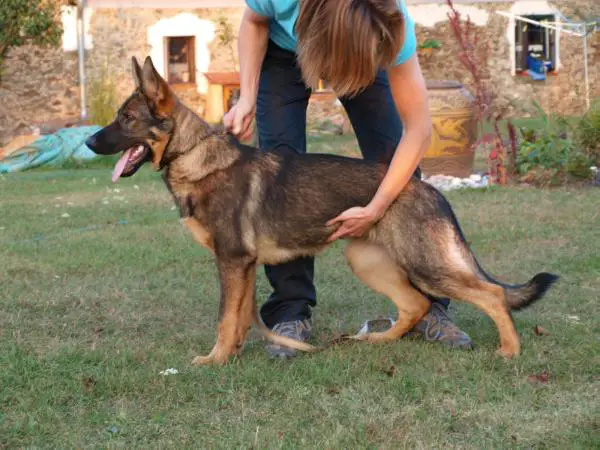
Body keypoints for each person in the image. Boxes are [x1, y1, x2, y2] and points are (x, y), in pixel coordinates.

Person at [223, 0, 474, 358]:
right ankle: (290, 311)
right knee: (280, 179)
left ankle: (428, 304)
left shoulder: (389, 21)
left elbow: (417, 131)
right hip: (282, 53)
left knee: (395, 162)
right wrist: (247, 96)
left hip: (361, 48)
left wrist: (377, 206)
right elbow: (253, 21)